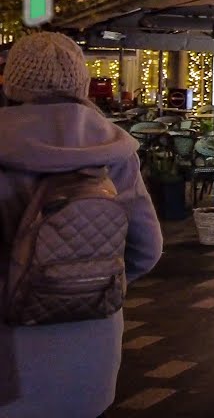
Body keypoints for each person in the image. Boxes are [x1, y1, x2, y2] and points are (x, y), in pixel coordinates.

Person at [0, 32, 164, 417]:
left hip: (10, 348)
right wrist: (86, 282)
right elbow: (148, 248)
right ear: (81, 83)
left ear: (13, 82)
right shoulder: (115, 150)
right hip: (91, 345)